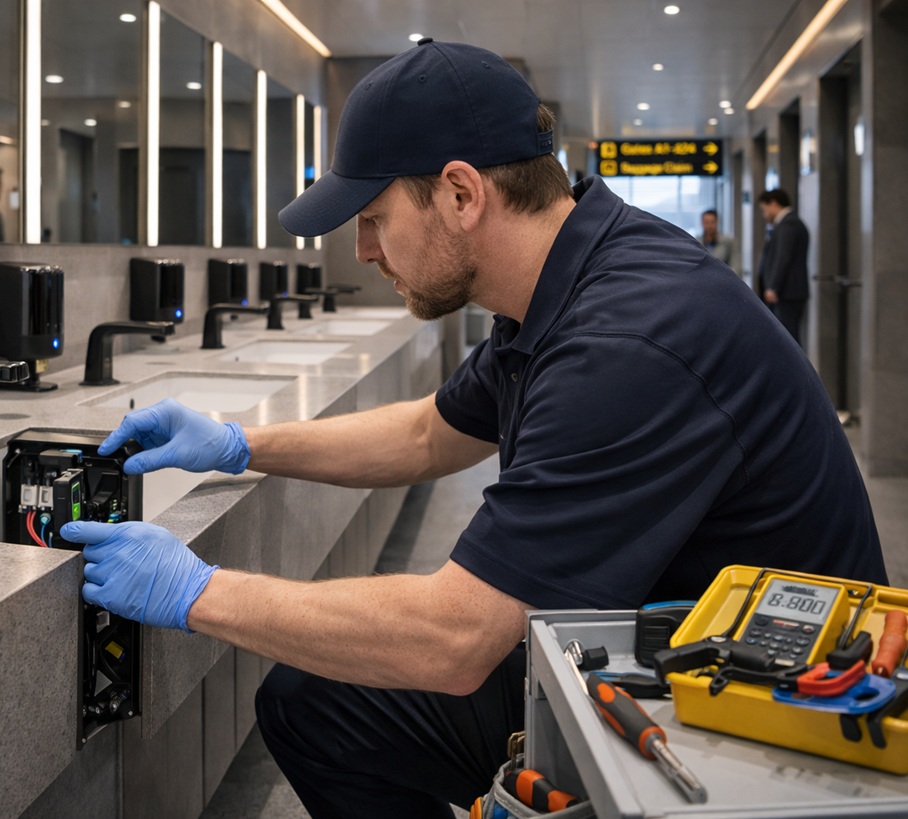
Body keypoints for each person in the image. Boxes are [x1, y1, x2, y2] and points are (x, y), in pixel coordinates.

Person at [59, 40, 886, 818]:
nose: (365, 249)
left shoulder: (627, 341)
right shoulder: (565, 279)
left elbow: (454, 639)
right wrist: (241, 441)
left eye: (375, 216)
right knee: (312, 703)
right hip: (644, 636)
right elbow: (429, 434)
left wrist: (197, 590)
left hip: (762, 710)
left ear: (461, 194)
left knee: (335, 699)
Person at [756, 189, 810, 345]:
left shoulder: (789, 224)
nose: (764, 215)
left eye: (764, 209)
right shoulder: (787, 224)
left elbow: (783, 257)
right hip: (786, 292)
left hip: (787, 293)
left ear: (773, 203)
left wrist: (773, 286)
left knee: (788, 341)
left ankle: (793, 370)